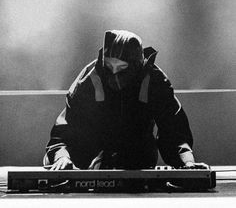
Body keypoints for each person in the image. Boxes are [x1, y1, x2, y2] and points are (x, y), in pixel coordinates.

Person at [44, 30, 206, 170]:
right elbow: (64, 132)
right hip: (89, 158)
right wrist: (61, 158)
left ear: (136, 65)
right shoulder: (89, 80)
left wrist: (187, 162)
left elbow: (173, 129)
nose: (114, 73)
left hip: (137, 158)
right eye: (109, 66)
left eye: (121, 68)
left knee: (136, 155)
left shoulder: (154, 80)